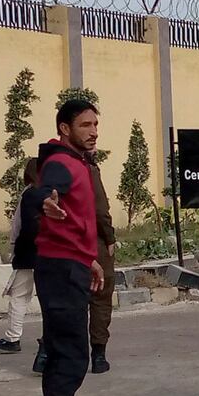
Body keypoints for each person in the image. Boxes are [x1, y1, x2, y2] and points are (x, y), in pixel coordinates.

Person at [29, 98, 108, 396]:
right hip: (59, 268)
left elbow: (76, 219)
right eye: (84, 126)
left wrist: (88, 257)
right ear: (65, 128)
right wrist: (44, 199)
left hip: (72, 261)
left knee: (69, 346)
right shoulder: (61, 161)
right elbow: (43, 190)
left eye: (95, 124)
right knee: (71, 349)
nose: (93, 132)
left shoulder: (77, 161)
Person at [0, 157, 42, 355]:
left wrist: (16, 246)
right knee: (48, 297)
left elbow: (22, 225)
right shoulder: (49, 193)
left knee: (19, 296)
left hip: (28, 253)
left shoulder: (29, 194)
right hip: (47, 252)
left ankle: (12, 337)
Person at [87, 145, 118, 374]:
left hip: (62, 244)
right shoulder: (88, 169)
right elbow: (100, 208)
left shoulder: (53, 167)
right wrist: (109, 237)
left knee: (67, 303)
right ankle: (98, 355)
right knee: (100, 297)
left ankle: (47, 352)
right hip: (92, 240)